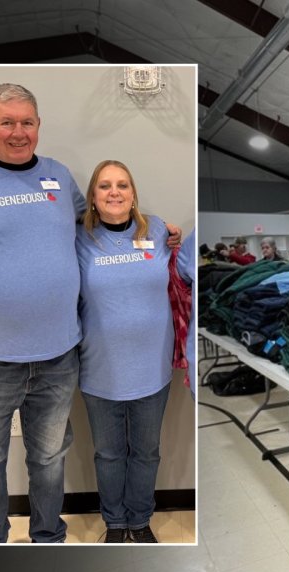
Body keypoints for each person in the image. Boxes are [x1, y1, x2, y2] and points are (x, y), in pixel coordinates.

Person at [0, 83, 180, 543]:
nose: (18, 132)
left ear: (38, 126)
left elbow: (98, 223)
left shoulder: (59, 177)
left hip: (58, 357)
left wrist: (159, 230)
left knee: (49, 459)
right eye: (7, 122)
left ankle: (48, 538)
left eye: (27, 122)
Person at [76, 160, 192, 544]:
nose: (114, 192)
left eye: (122, 185)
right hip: (99, 369)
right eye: (105, 185)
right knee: (108, 454)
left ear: (133, 193)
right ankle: (114, 523)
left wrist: (178, 235)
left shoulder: (157, 230)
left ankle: (140, 521)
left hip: (152, 369)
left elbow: (181, 271)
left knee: (146, 452)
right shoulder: (78, 237)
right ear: (93, 196)